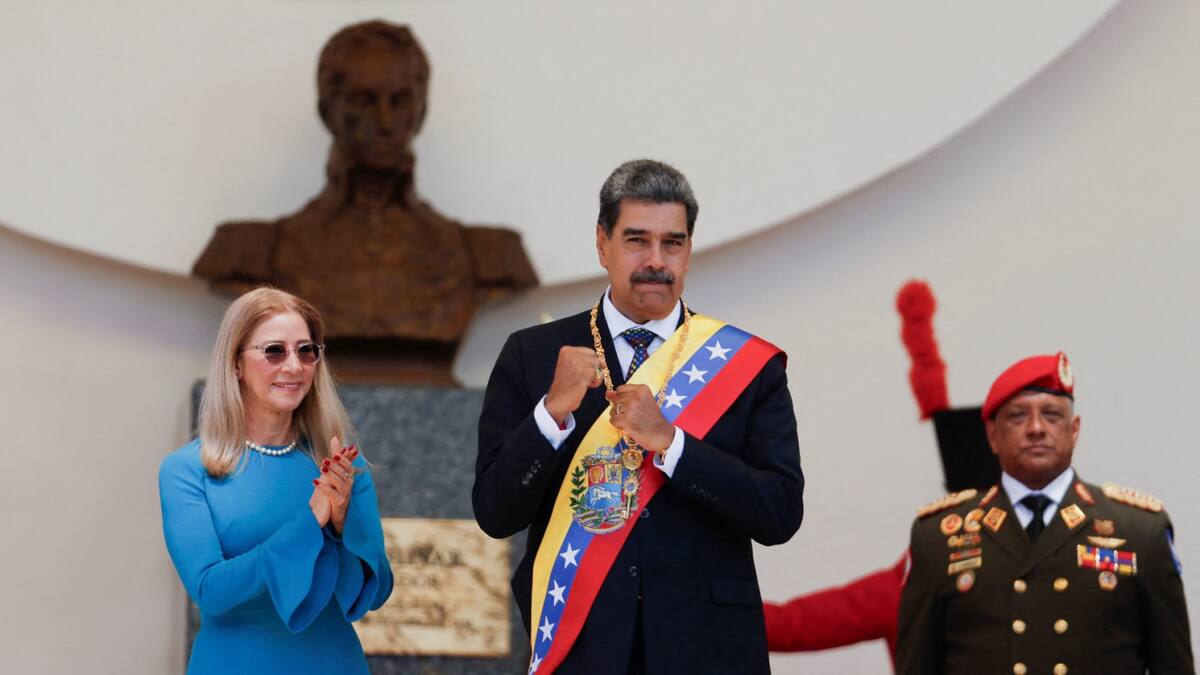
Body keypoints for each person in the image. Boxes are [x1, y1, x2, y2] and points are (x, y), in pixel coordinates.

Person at [473, 159, 804, 674]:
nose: (656, 260)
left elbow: (780, 513)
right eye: (637, 241)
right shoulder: (534, 355)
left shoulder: (746, 364)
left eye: (672, 242)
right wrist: (550, 415)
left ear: (689, 250)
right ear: (602, 244)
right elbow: (495, 513)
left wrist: (672, 444)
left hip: (708, 646)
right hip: (581, 643)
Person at [896, 352, 1194, 675]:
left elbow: (1174, 665)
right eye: (1018, 416)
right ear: (992, 435)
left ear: (1074, 430)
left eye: (1051, 415)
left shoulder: (1138, 531)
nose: (1036, 428)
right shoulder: (938, 537)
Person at [158, 287, 393, 673]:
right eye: (274, 351)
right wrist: (310, 521)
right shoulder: (186, 471)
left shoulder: (340, 466)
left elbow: (375, 591)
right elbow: (211, 592)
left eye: (306, 350)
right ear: (235, 363)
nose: (294, 366)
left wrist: (340, 524)